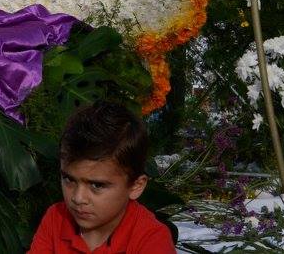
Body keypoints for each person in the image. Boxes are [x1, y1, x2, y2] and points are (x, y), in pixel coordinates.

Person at [28, 101, 175, 253]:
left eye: (97, 185)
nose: (78, 198)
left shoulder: (152, 240)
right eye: (69, 179)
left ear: (136, 186)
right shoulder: (56, 218)